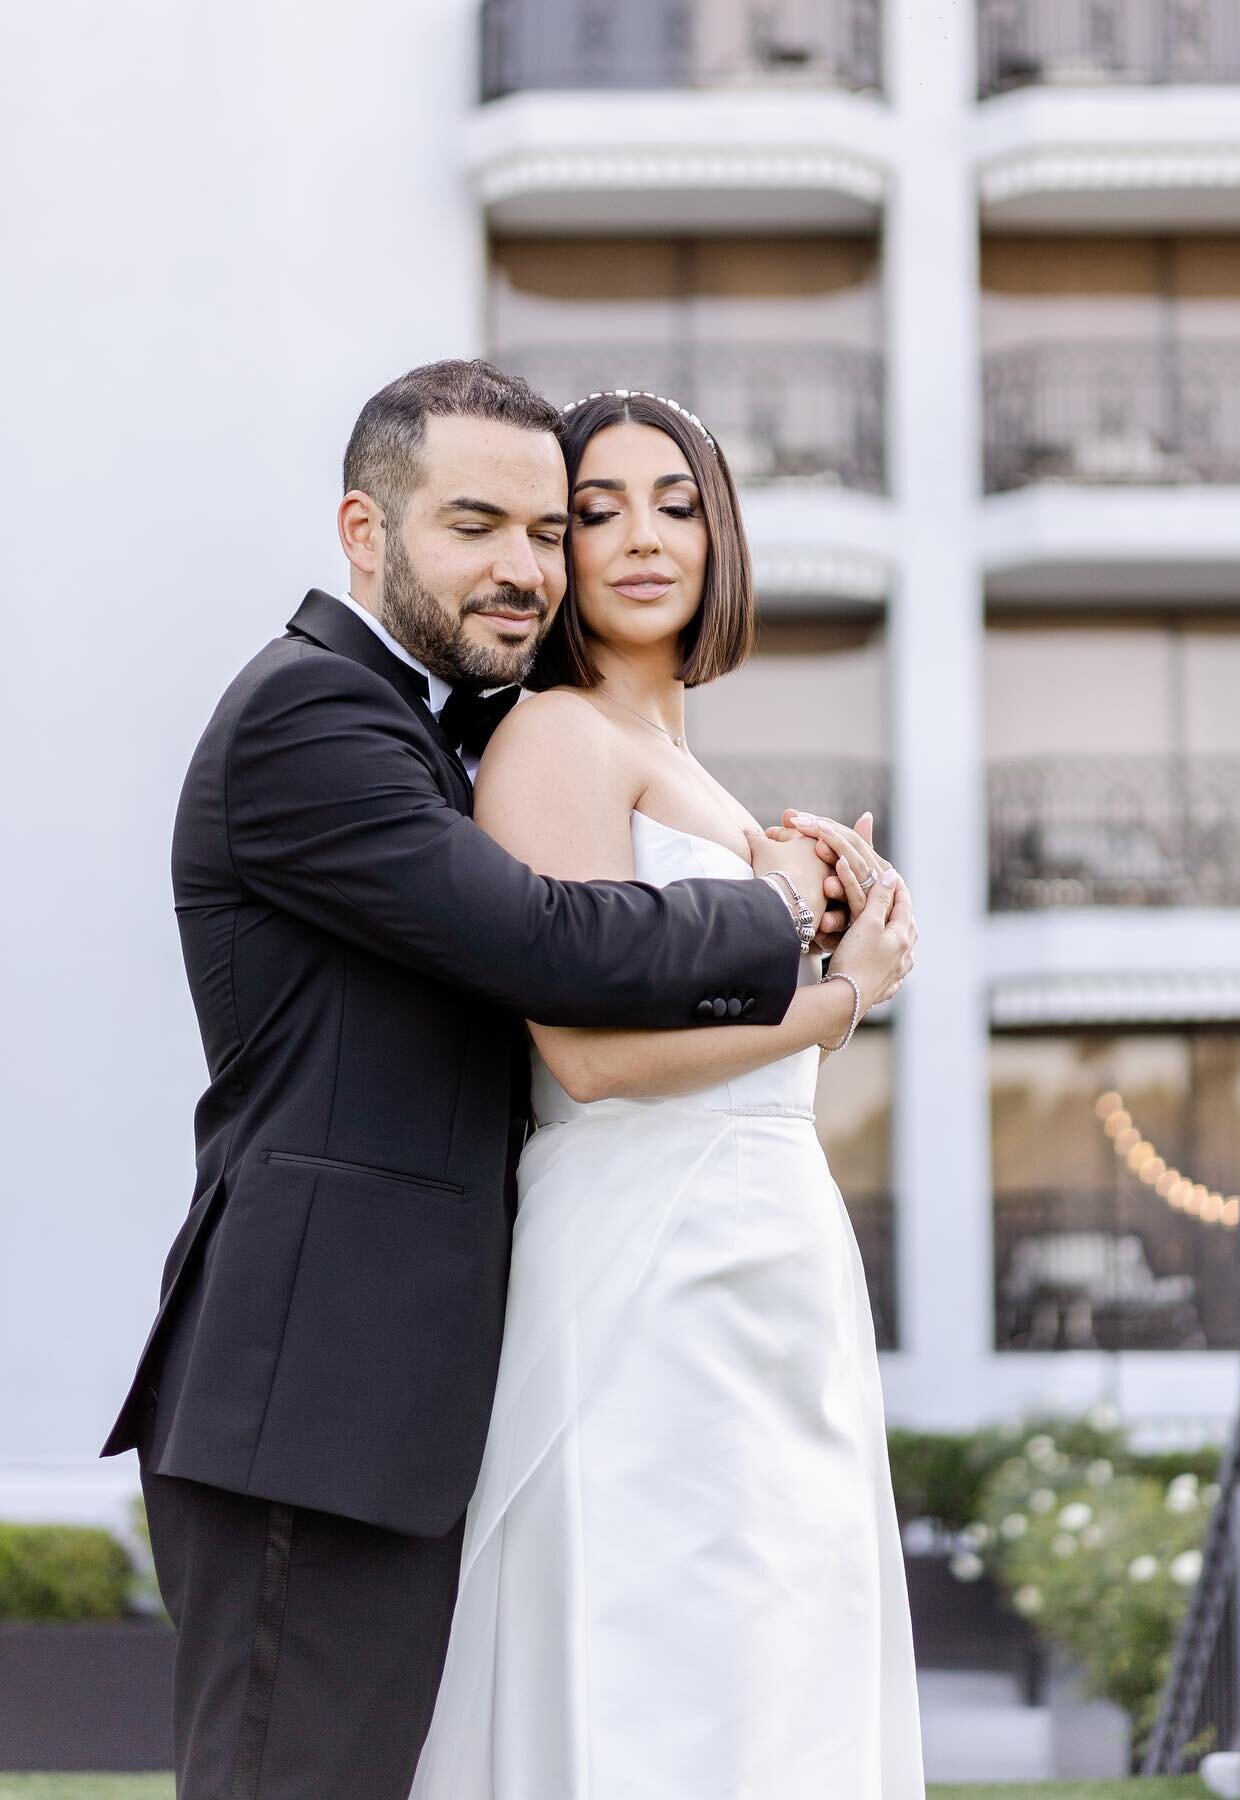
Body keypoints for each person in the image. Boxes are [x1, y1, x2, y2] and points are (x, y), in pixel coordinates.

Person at [100, 361, 861, 1800]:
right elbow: (547, 940)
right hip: (308, 1399)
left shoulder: (439, 737)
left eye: (538, 533)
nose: (523, 568)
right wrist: (778, 913)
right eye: (475, 526)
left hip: (402, 1403)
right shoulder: (306, 718)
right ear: (365, 531)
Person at [409, 389, 924, 1799]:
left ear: (721, 536)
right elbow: (589, 1056)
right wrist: (847, 993)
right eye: (597, 510)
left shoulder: (699, 773)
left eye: (675, 503)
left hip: (769, 1251)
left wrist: (827, 930)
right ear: (555, 552)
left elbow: (720, 1028)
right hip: (647, 1258)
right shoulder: (554, 738)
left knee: (773, 1672)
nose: (642, 537)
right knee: (657, 1672)